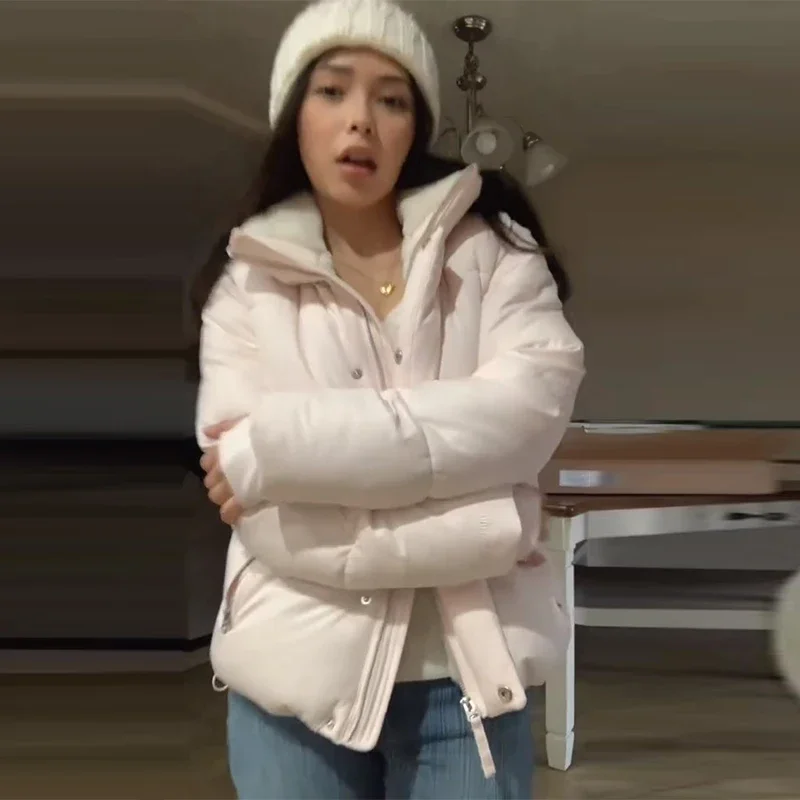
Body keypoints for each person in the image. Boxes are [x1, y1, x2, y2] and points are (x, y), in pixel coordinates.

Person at [193, 0, 585, 797]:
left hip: (468, 678)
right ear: (294, 116)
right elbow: (258, 511)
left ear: (416, 128)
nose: (361, 121)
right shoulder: (245, 285)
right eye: (332, 90)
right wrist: (486, 521)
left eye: (392, 99)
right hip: (290, 674)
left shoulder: (497, 255)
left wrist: (282, 450)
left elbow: (530, 416)